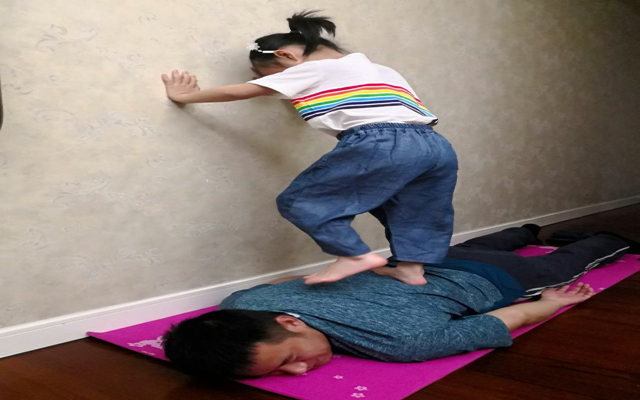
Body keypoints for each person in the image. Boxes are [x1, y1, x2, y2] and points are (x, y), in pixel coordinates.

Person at [160, 11, 458, 285]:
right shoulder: (380, 70)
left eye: (271, 75)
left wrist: (186, 96)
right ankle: (411, 269)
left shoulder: (314, 69)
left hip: (381, 141)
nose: (272, 82)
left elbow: (239, 92)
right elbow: (342, 96)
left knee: (302, 201)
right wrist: (282, 81)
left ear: (286, 55)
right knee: (417, 208)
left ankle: (354, 255)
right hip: (434, 145)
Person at [162, 226, 630, 379]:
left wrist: (550, 303)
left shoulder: (399, 343)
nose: (300, 371)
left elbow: (508, 318)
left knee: (570, 262)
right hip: (417, 258)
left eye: (288, 359)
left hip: (495, 279)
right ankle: (526, 230)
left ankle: (610, 236)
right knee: (478, 244)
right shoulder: (242, 301)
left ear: (288, 323)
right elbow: (291, 280)